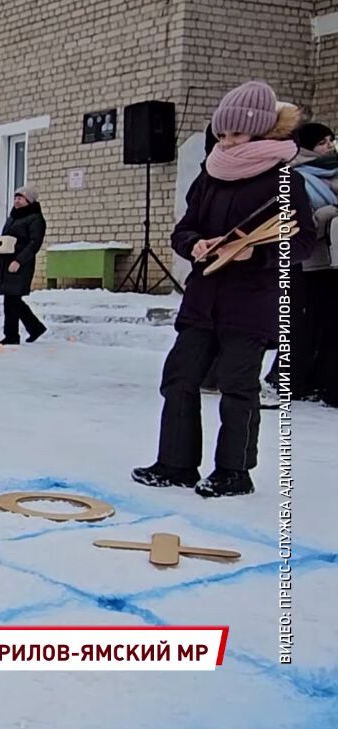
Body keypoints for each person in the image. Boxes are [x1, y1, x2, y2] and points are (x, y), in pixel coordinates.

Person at [133, 80, 315, 498]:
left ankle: (234, 471)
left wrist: (258, 255)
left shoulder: (285, 179)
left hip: (251, 301)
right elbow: (184, 228)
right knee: (180, 377)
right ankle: (176, 463)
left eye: (238, 133)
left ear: (263, 131)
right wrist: (193, 243)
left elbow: (303, 242)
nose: (229, 141)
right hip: (204, 296)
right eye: (224, 132)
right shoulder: (210, 174)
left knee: (237, 387)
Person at [292, 121, 338, 406]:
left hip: (336, 263)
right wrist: (329, 213)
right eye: (322, 142)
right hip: (312, 264)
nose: (329, 145)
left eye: (331, 140)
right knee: (310, 325)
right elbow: (299, 225)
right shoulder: (298, 177)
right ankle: (299, 380)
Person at [0, 186, 48, 345]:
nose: (17, 200)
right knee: (11, 299)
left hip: (21, 263)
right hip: (7, 262)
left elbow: (34, 243)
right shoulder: (13, 217)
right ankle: (25, 331)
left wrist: (19, 261)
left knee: (12, 299)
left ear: (29, 200)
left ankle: (17, 333)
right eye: (15, 197)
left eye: (20, 198)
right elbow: (4, 241)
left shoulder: (35, 218)